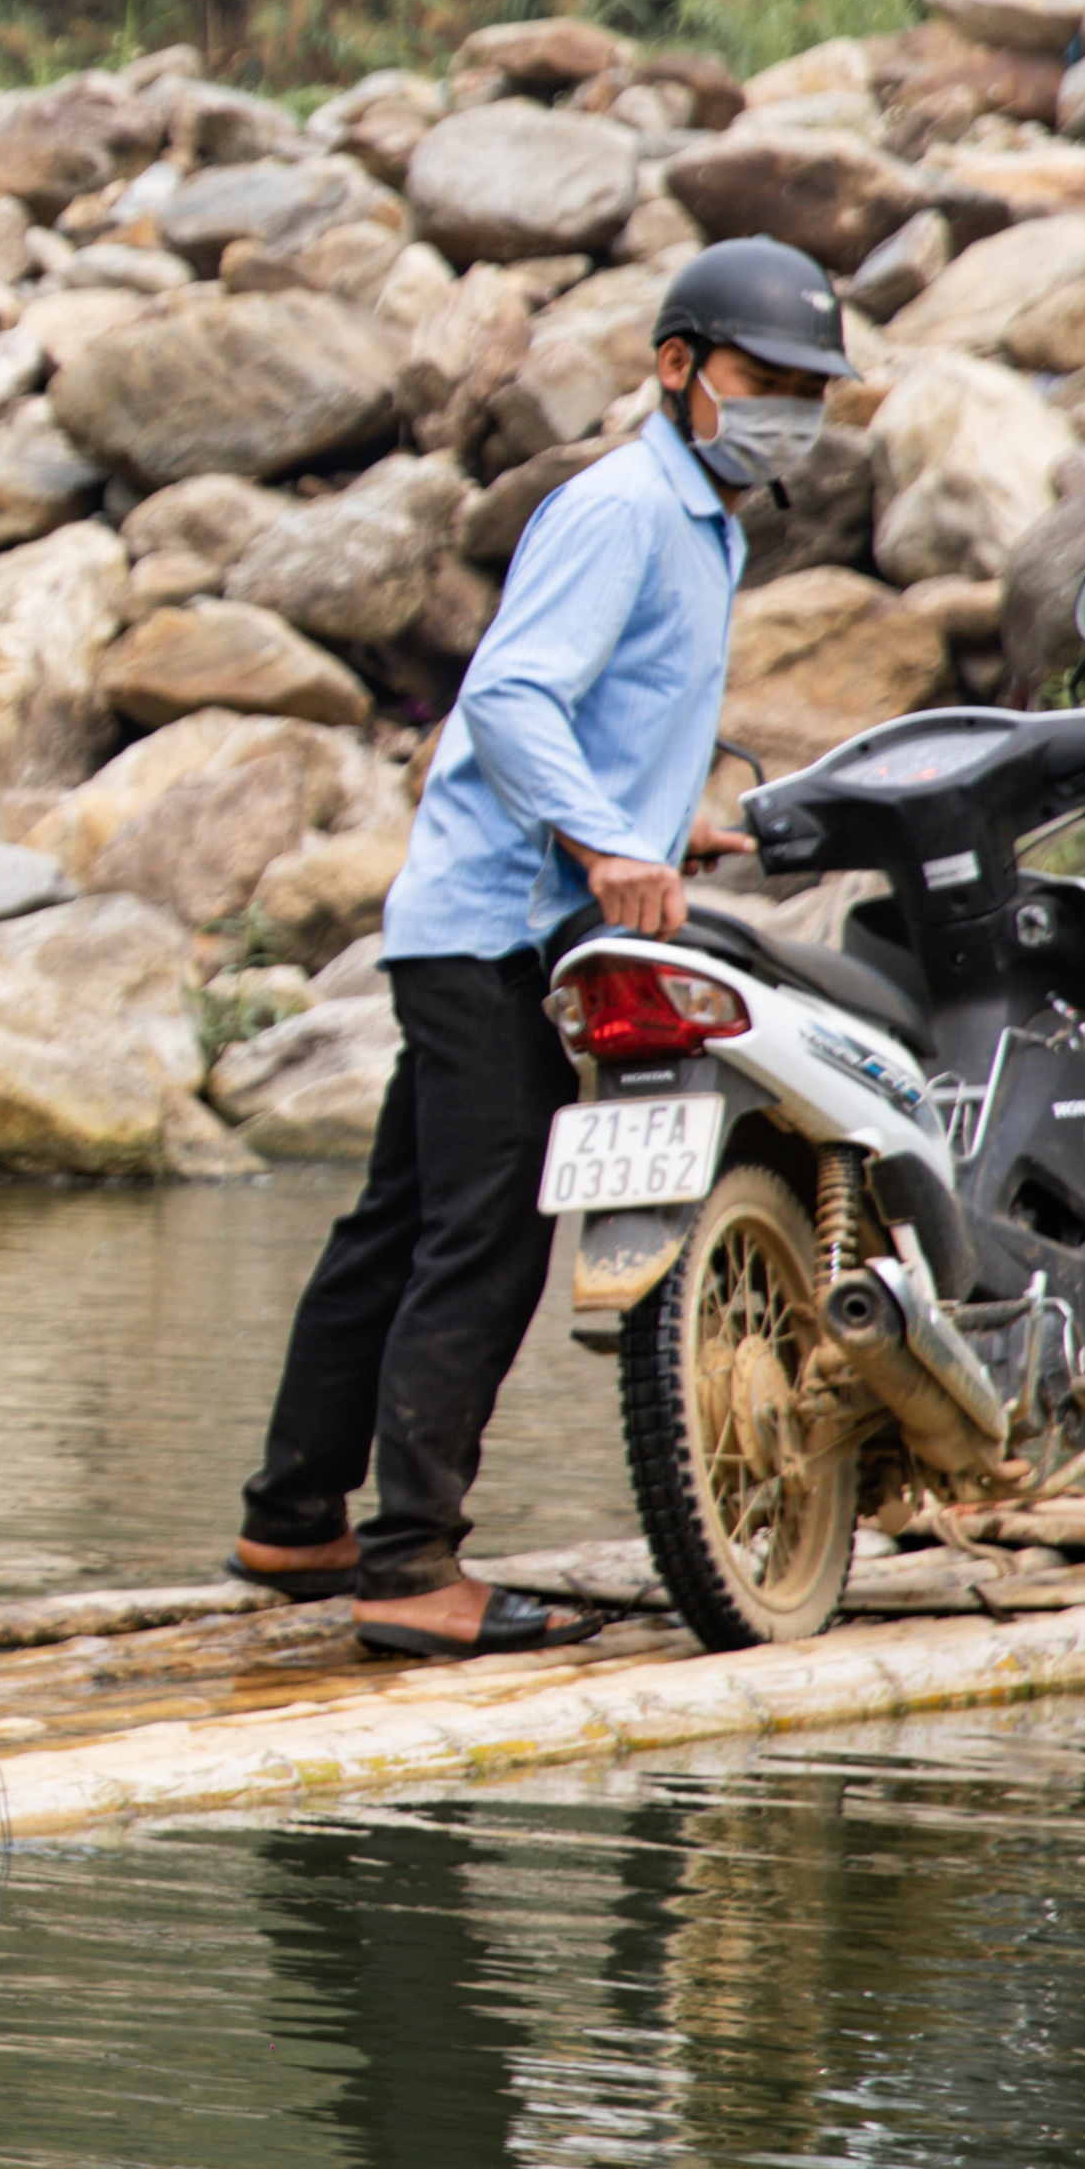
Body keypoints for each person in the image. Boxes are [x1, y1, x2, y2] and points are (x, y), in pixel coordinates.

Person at [235, 235, 856, 1661]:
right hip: (505, 932)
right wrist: (606, 848)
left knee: (400, 1220)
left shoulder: (702, 519)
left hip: (502, 922)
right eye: (764, 380)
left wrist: (661, 828)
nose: (789, 413)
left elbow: (590, 716)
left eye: (810, 392)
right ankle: (409, 1568)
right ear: (678, 368)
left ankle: (295, 1515)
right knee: (485, 1235)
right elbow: (511, 701)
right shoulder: (627, 508)